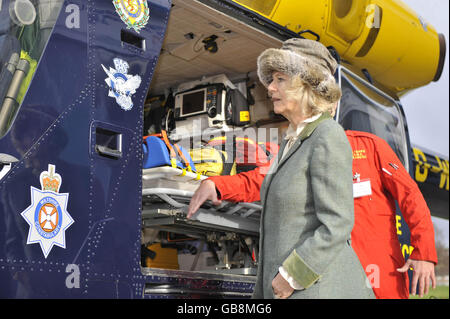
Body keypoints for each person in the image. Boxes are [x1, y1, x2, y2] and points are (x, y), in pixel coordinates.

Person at [187, 38, 374, 299]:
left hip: (315, 289)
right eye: (271, 80)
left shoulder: (327, 135)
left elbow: (337, 224)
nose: (270, 88)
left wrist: (292, 276)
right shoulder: (292, 141)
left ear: (307, 84)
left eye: (280, 79)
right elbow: (261, 181)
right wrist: (215, 185)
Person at [188, 130, 438, 299]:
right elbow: (262, 180)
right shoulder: (300, 154)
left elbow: (411, 197)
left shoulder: (369, 147)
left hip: (379, 278)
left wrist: (424, 253)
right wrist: (218, 185)